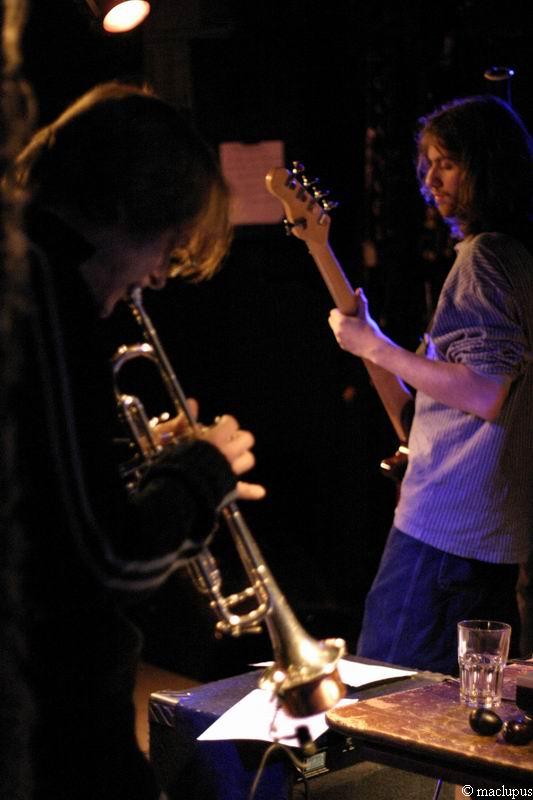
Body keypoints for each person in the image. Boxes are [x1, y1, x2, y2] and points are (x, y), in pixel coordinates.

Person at [5, 81, 265, 799]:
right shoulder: (44, 291)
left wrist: (163, 476)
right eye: (166, 243)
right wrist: (199, 470)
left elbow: (51, 517)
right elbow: (108, 561)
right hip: (51, 719)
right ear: (124, 203)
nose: (156, 274)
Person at [328, 94, 533, 675]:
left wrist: (374, 347)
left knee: (387, 707)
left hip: (444, 531)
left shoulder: (484, 261)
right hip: (487, 535)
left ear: (485, 166)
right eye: (427, 161)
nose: (429, 176)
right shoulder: (517, 256)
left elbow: (486, 391)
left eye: (446, 161)